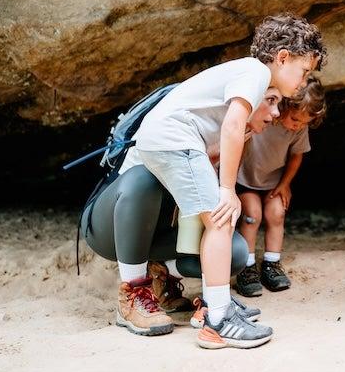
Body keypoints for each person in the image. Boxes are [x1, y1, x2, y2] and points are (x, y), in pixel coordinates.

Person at [134, 13, 327, 349]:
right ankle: (218, 320)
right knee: (222, 218)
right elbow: (233, 125)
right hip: (174, 139)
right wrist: (227, 189)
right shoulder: (255, 72)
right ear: (283, 58)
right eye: (304, 71)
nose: (303, 79)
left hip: (165, 138)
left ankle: (215, 303)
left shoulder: (247, 72)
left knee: (218, 220)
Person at [81, 89, 283, 337]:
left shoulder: (237, 138)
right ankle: (132, 296)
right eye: (270, 101)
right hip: (111, 227)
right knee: (145, 178)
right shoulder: (187, 117)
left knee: (236, 252)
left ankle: (162, 274)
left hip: (163, 231)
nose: (276, 113)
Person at [234, 75, 326, 296]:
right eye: (295, 119)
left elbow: (296, 156)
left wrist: (285, 184)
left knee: (276, 213)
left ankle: (271, 264)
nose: (298, 126)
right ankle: (246, 267)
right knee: (252, 215)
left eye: (304, 123)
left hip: (273, 182)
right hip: (246, 179)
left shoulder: (298, 129)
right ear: (284, 105)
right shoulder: (263, 118)